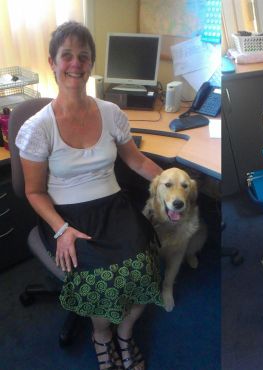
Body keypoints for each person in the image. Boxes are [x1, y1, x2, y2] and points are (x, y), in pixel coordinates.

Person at [16, 21, 162, 369]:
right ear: (52, 62)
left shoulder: (111, 113)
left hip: (114, 206)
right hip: (66, 215)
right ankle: (102, 337)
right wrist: (60, 230)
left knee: (145, 266)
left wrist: (173, 180)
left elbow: (136, 160)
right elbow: (34, 192)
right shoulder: (38, 128)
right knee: (99, 278)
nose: (76, 64)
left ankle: (125, 335)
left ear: (91, 63)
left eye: (83, 56)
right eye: (66, 56)